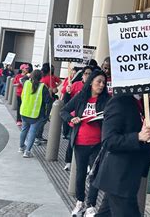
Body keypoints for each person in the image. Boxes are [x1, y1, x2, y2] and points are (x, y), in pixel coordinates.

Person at [93, 94, 150, 217]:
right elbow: (109, 140)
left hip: (127, 176)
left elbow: (145, 128)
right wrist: (138, 137)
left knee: (105, 213)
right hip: (119, 177)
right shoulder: (118, 102)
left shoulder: (141, 102)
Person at [61, 69, 110, 216]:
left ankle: (91, 205)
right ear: (91, 83)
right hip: (80, 142)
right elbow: (63, 111)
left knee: (94, 174)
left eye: (103, 83)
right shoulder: (81, 97)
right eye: (98, 82)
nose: (101, 85)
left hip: (97, 143)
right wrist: (71, 119)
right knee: (80, 174)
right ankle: (80, 202)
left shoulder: (107, 100)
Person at [62, 66, 93, 171]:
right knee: (72, 141)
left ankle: (89, 164)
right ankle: (68, 162)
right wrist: (68, 92)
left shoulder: (97, 89)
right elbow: (66, 104)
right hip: (76, 119)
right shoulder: (76, 85)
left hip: (90, 121)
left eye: (90, 74)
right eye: (86, 73)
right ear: (82, 75)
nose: (88, 76)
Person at [18, 70, 52, 158]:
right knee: (32, 132)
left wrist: (29, 75)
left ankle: (21, 147)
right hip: (36, 114)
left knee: (24, 129)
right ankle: (27, 151)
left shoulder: (26, 83)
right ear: (41, 77)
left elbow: (22, 78)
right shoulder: (43, 87)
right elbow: (49, 102)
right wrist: (47, 115)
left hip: (24, 111)